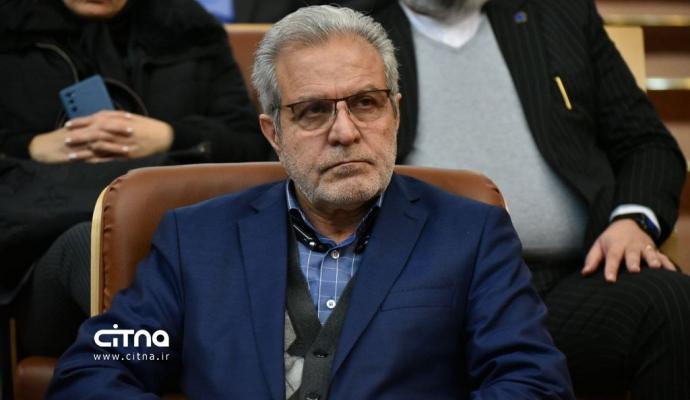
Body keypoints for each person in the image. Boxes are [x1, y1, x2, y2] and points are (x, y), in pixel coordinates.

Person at [47, 6, 575, 399]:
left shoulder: (471, 234)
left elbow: (532, 383)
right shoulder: (197, 242)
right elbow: (97, 371)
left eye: (365, 103)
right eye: (313, 111)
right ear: (273, 133)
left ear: (395, 113)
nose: (344, 132)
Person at [371, 0, 690, 398]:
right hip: (426, 292)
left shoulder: (558, 14)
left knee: (670, 304)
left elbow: (646, 143)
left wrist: (633, 220)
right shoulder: (352, 24)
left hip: (568, 280)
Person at [0, 0, 270, 358]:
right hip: (42, 254)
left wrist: (172, 136)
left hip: (180, 234)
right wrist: (31, 146)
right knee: (93, 245)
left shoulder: (188, 28)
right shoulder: (10, 28)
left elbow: (252, 146)